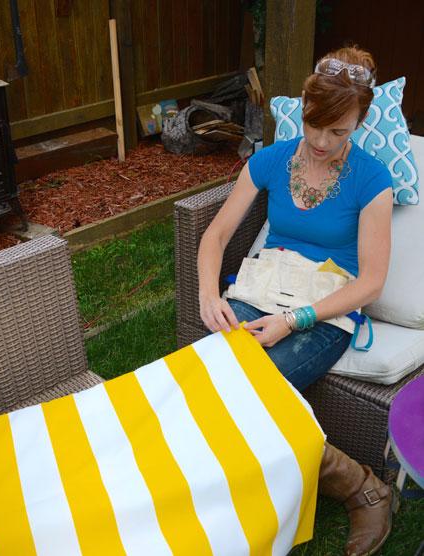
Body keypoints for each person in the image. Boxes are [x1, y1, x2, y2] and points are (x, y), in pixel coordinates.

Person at [197, 46, 395, 556]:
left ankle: (364, 491)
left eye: (340, 132)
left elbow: (371, 282)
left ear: (361, 121)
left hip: (324, 308)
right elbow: (216, 235)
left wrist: (295, 319)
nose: (322, 142)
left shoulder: (372, 179)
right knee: (211, 379)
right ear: (303, 107)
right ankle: (354, 487)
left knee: (254, 392)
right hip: (260, 288)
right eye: (314, 126)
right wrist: (206, 293)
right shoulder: (271, 160)